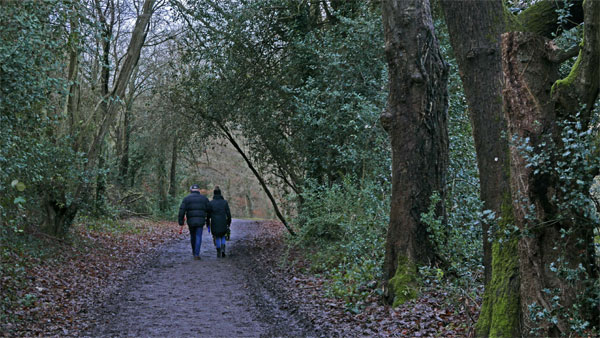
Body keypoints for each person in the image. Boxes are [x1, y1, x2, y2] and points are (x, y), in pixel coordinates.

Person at [178, 184, 211, 260]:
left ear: (191, 190)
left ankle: (194, 251)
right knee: (198, 236)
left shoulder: (186, 199)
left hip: (191, 221)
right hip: (200, 221)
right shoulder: (204, 199)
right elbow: (209, 210)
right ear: (198, 190)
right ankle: (197, 253)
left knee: (193, 236)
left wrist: (181, 221)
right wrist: (207, 219)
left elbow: (182, 210)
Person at [207, 186, 231, 258]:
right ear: (220, 194)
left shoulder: (211, 203)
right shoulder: (224, 202)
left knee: (217, 236)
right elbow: (228, 214)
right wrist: (228, 222)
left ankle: (218, 250)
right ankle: (223, 249)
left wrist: (207, 223)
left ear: (214, 194)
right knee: (223, 235)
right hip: (223, 221)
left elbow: (208, 214)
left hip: (214, 222)